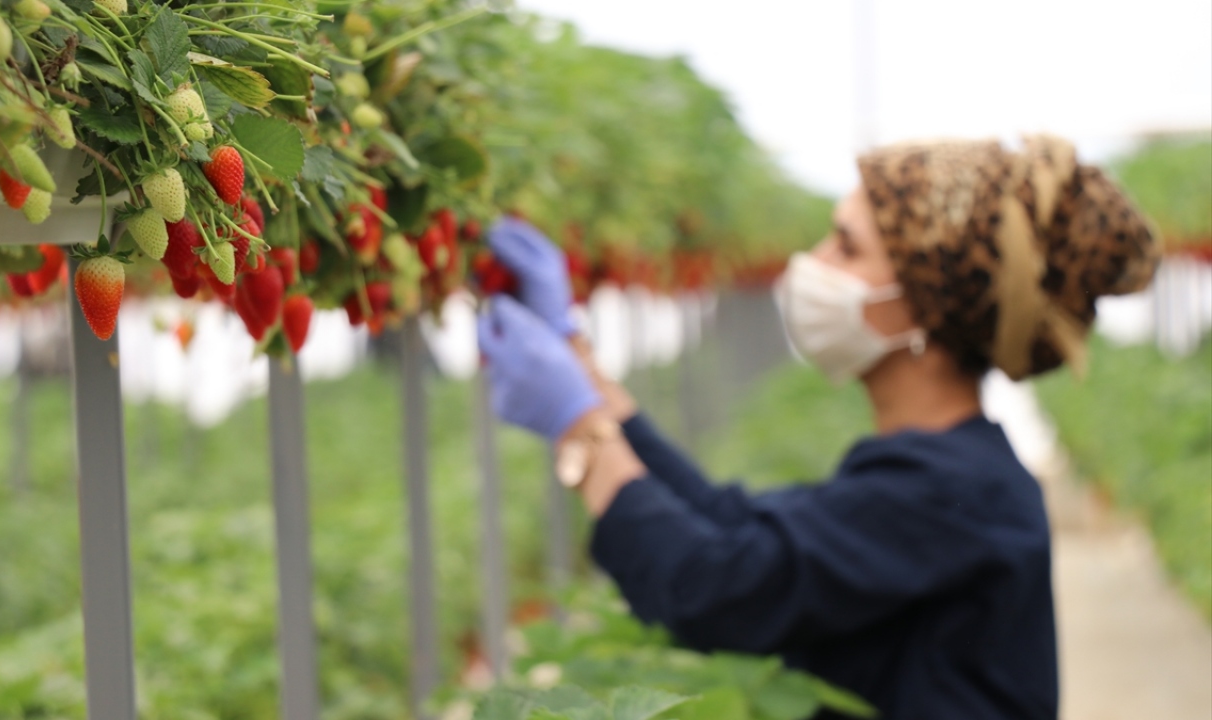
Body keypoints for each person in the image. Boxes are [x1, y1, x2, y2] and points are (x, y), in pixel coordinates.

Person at [476, 135, 1158, 720]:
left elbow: (714, 587)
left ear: (921, 305)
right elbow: (729, 526)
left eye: (845, 245)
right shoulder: (946, 475)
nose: (812, 262)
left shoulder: (954, 496)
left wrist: (583, 430)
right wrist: (578, 360)